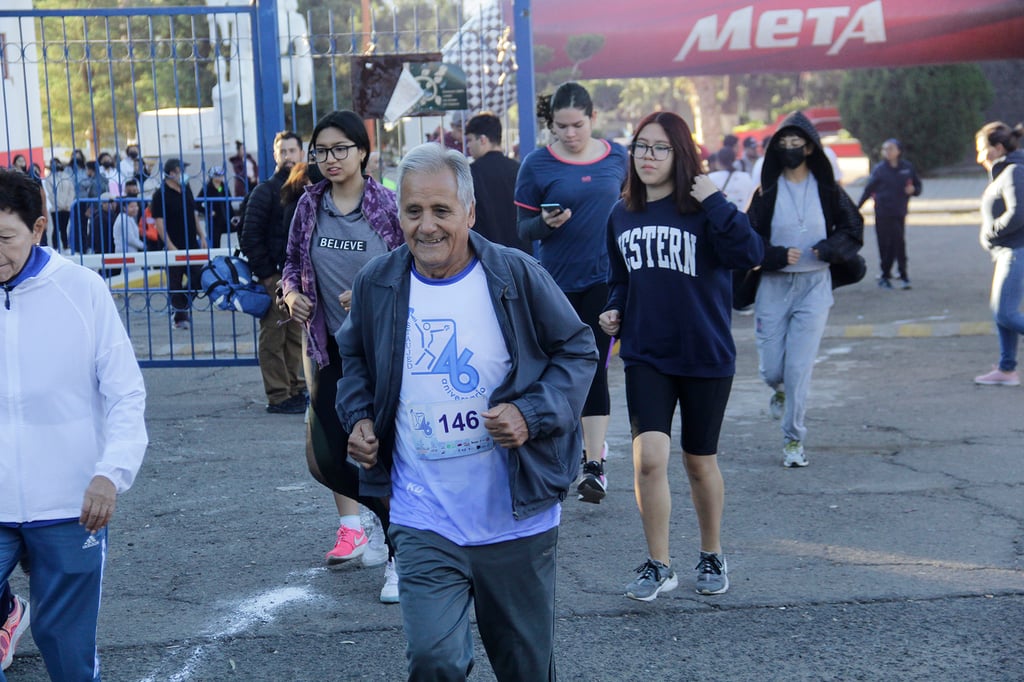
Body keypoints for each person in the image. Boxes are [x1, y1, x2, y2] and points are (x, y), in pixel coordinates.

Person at [338, 142, 597, 680]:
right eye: (413, 211)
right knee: (435, 660)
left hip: (516, 517)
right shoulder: (378, 283)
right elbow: (355, 358)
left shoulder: (517, 276)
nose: (426, 227)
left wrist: (532, 412)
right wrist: (359, 417)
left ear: (470, 212)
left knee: (525, 669)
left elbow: (577, 349)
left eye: (441, 211)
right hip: (422, 514)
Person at [600, 112, 762, 602]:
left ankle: (711, 553)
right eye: (640, 147)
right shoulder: (621, 214)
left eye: (659, 148)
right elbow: (621, 279)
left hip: (705, 354)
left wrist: (713, 198)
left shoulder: (703, 208)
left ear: (680, 154)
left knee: (698, 461)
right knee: (649, 458)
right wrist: (613, 309)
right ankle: (659, 563)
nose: (647, 157)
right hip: (647, 354)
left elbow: (749, 252)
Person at [0, 167, 148, 679]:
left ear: (39, 228)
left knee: (67, 649)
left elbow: (126, 392)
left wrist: (112, 472)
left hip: (70, 504)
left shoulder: (81, 291)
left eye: (4, 238)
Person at [280, 110, 402, 600]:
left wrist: (373, 292)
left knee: (380, 450)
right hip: (325, 347)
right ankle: (383, 525)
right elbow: (290, 262)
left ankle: (401, 556)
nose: (329, 160)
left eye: (340, 150)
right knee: (327, 458)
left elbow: (414, 266)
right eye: (322, 151)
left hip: (378, 349)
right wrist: (290, 294)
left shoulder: (388, 207)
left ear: (362, 152)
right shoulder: (309, 206)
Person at [515, 81, 629, 503]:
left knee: (594, 365)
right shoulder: (536, 165)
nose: (569, 134)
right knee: (556, 372)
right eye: (561, 126)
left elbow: (635, 207)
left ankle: (594, 465)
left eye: (577, 125)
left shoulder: (618, 157)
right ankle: (560, 453)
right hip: (554, 284)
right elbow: (522, 228)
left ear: (592, 119)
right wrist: (546, 225)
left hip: (605, 279)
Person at [744, 111, 864, 467]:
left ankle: (793, 439)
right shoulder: (765, 192)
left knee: (798, 369)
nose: (790, 149)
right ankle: (778, 391)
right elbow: (746, 239)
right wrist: (775, 255)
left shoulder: (828, 190)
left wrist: (828, 249)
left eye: (797, 144)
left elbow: (853, 227)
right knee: (771, 371)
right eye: (783, 144)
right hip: (773, 286)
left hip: (815, 287)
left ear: (810, 148)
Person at [241, 131, 308, 415]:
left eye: (293, 151)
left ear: (301, 153)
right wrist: (268, 275)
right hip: (275, 278)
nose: (288, 156)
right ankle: (279, 395)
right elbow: (249, 235)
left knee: (295, 338)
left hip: (298, 279)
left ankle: (296, 388)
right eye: (283, 151)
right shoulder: (265, 191)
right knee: (272, 338)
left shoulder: (304, 189)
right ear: (275, 155)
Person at [972, 121, 1024, 387]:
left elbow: (1019, 214)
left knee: (1005, 313)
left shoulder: (1014, 171)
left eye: (982, 150)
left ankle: (1007, 369)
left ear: (998, 148)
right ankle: (1006, 370)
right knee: (1000, 311)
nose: (979, 157)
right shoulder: (1004, 172)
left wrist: (991, 232)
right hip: (1006, 251)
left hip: (1016, 251)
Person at [857, 138, 922, 290]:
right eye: (885, 149)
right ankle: (885, 275)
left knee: (899, 242)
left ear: (898, 151)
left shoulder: (907, 168)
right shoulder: (880, 169)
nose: (887, 152)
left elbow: (917, 186)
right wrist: (857, 207)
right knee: (885, 244)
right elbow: (868, 189)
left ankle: (903, 273)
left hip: (899, 211)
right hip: (882, 212)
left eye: (891, 148)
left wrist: (914, 190)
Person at [151, 158, 207, 330]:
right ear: (172, 173)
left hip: (191, 242)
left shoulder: (186, 189)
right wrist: (169, 245)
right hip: (173, 245)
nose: (184, 174)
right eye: (181, 170)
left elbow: (194, 214)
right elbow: (159, 222)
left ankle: (180, 306)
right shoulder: (160, 194)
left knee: (199, 277)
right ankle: (180, 318)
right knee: (175, 282)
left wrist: (202, 236)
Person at [464, 112, 529, 253]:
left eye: (470, 140)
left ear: (482, 140)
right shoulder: (520, 169)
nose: (468, 146)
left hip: (485, 255)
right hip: (521, 257)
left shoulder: (470, 174)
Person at [197, 166, 233, 250]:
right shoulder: (207, 188)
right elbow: (197, 203)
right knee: (215, 243)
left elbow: (229, 199)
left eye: (221, 176)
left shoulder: (223, 186)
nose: (220, 178)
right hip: (213, 221)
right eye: (217, 176)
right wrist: (208, 211)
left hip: (225, 218)